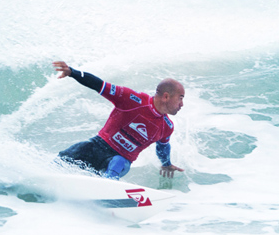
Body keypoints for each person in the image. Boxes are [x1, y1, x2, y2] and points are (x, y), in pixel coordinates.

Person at [53, 61, 185, 180]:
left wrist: (166, 164)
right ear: (166, 96)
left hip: (120, 161)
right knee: (72, 153)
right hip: (96, 146)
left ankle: (107, 190)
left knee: (118, 162)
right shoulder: (132, 99)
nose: (182, 104)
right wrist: (72, 72)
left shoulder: (167, 127)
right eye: (180, 98)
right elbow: (99, 85)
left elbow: (163, 147)